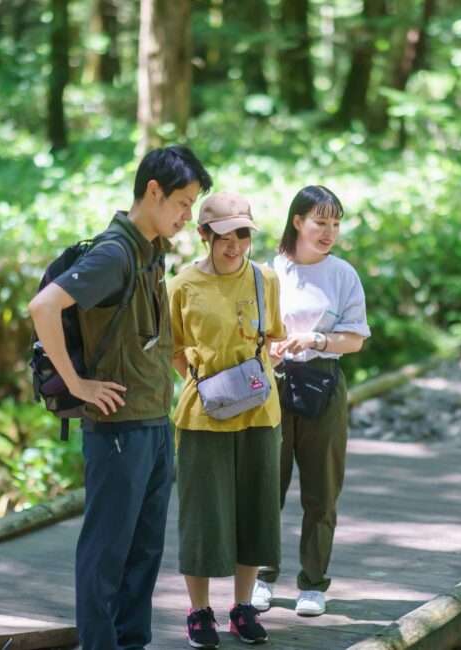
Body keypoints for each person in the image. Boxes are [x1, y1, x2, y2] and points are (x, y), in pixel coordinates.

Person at [28, 145, 212, 650]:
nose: (186, 215)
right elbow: (43, 307)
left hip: (152, 422)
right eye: (182, 202)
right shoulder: (115, 252)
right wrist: (79, 383)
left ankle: (132, 643)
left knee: (144, 550)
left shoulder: (150, 251)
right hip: (116, 430)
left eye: (193, 205)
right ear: (153, 191)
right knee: (107, 552)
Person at [168, 192, 286, 648]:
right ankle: (199, 612)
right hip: (202, 417)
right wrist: (211, 387)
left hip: (260, 412)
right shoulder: (180, 286)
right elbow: (173, 351)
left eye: (242, 234)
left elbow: (273, 337)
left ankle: (242, 609)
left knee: (256, 512)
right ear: (203, 236)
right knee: (202, 516)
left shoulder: (266, 280)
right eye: (223, 236)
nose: (234, 244)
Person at [252, 185, 370, 617]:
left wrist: (316, 338)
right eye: (320, 222)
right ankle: (262, 578)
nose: (329, 232)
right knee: (268, 484)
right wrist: (273, 345)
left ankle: (313, 584)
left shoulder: (343, 275)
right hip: (274, 386)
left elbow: (355, 340)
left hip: (324, 385)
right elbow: (251, 331)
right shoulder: (269, 273)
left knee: (322, 489)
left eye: (335, 224)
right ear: (297, 221)